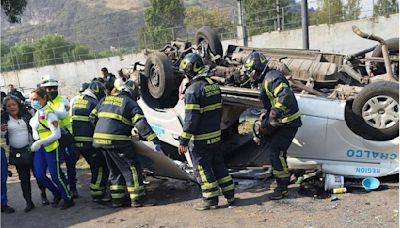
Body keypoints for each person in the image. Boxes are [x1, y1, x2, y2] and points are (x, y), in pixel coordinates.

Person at [90, 79, 161, 208]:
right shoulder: (130, 103)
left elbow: (92, 117)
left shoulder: (105, 99)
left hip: (99, 140)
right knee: (131, 167)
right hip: (116, 140)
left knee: (114, 170)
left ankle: (117, 199)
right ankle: (138, 199)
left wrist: (102, 130)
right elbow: (141, 124)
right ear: (133, 92)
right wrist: (153, 140)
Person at [178, 53, 235, 211]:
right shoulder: (212, 85)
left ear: (189, 71)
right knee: (219, 167)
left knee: (203, 170)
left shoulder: (192, 91)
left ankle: (210, 200)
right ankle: (230, 195)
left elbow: (190, 120)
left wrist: (183, 141)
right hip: (215, 136)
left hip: (200, 140)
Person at [242, 51, 302, 200]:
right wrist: (266, 113)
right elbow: (271, 100)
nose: (250, 75)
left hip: (288, 122)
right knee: (262, 134)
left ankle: (282, 187)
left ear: (257, 69)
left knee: (276, 152)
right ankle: (279, 174)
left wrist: (274, 113)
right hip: (280, 121)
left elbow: (285, 96)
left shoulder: (272, 78)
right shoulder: (266, 79)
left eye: (251, 72)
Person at [1, 96, 50, 212]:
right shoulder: (4, 119)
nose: (12, 107)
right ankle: (29, 202)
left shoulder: (27, 115)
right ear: (6, 109)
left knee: (39, 174)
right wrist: (2, 130)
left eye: (13, 104)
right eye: (8, 106)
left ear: (18, 105)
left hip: (32, 150)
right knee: (24, 179)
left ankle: (44, 195)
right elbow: (2, 135)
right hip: (17, 154)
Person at [29, 88, 74, 209]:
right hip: (41, 149)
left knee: (56, 176)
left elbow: (57, 134)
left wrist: (39, 142)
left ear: (44, 99)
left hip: (52, 148)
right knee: (39, 175)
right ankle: (57, 193)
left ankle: (67, 197)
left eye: (36, 99)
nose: (33, 102)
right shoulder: (37, 112)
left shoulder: (50, 114)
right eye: (31, 99)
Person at [71, 80, 110, 202]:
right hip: (89, 142)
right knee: (100, 167)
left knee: (91, 166)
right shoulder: (94, 103)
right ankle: (97, 193)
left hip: (76, 142)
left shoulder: (76, 100)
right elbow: (99, 122)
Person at [40, 75, 78, 198]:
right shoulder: (44, 104)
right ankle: (64, 185)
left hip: (66, 138)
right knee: (56, 167)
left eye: (53, 88)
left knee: (70, 164)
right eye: (48, 89)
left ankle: (73, 187)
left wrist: (48, 111)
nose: (51, 91)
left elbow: (62, 115)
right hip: (54, 139)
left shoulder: (64, 100)